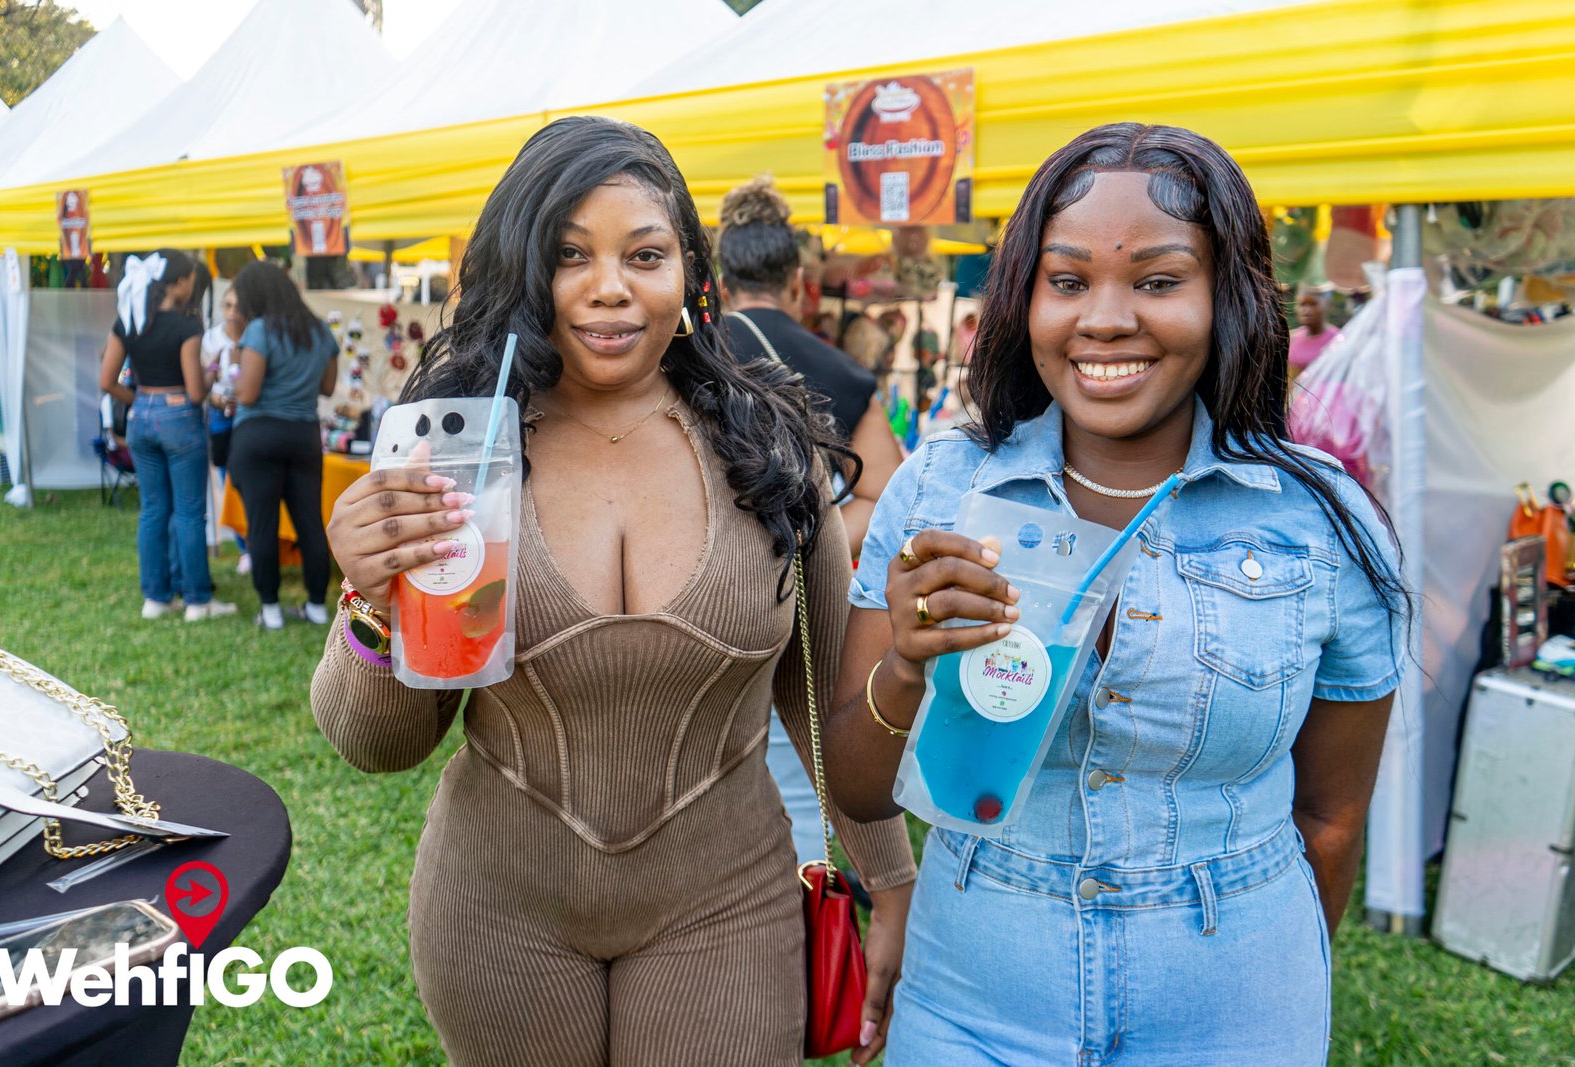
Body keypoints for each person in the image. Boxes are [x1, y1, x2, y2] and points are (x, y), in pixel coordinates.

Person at [310, 116, 915, 1067]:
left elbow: (827, 704)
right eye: (569, 255)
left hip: (729, 906)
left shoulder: (768, 450)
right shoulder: (459, 457)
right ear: (523, 267)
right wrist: (374, 600)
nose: (609, 287)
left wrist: (893, 884)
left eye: (644, 254)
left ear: (690, 271)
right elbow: (379, 744)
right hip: (498, 916)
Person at [825, 123, 1407, 1065]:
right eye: (1067, 281)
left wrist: (1273, 988)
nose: (1104, 318)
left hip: (1233, 1010)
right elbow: (857, 787)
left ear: (1229, 296)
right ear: (1025, 299)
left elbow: (1332, 817)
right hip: (972, 1004)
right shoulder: (941, 488)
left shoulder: (1318, 521)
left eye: (1158, 281)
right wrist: (905, 663)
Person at [717, 173, 907, 883]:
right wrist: (802, 543)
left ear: (719, 281)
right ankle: (809, 894)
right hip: (804, 610)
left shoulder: (685, 360)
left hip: (702, 607)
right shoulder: (841, 372)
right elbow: (884, 495)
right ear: (797, 283)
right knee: (802, 776)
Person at [97, 249, 236, 622]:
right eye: (190, 278)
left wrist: (144, 402)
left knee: (153, 509)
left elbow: (107, 381)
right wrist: (210, 372)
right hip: (180, 418)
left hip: (141, 418)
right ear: (179, 282)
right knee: (189, 512)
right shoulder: (186, 326)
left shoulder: (128, 320)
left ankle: (155, 599)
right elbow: (195, 392)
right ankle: (197, 601)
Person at [228, 261, 338, 630]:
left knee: (262, 524)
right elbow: (328, 388)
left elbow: (247, 393)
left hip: (259, 436)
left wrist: (235, 363)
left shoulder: (259, 330)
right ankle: (317, 606)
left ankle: (271, 611)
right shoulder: (320, 331)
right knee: (310, 522)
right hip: (303, 435)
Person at [203, 286, 250, 575]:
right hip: (221, 414)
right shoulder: (211, 339)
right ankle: (245, 548)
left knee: (250, 480)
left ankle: (257, 544)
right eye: (227, 305)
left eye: (238, 306)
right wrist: (216, 398)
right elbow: (200, 382)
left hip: (249, 413)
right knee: (228, 480)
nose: (232, 312)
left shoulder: (254, 337)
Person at [1288, 285, 1340, 378]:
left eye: (1313, 304)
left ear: (1329, 305)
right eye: (1302, 304)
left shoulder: (1338, 340)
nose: (1306, 310)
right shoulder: (1291, 339)